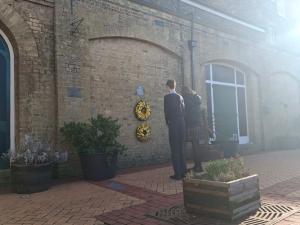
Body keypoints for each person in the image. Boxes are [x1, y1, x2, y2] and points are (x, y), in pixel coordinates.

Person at [164, 80, 187, 180]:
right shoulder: (180, 97)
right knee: (181, 148)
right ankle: (184, 172)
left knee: (174, 149)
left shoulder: (167, 97)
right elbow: (184, 110)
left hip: (173, 124)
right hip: (182, 124)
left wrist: (168, 123)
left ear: (168, 86)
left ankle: (177, 174)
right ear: (175, 86)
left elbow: (167, 112)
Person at [183, 86, 204, 172]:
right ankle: (198, 166)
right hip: (198, 124)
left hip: (190, 125)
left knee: (191, 146)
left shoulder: (185, 99)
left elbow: (184, 112)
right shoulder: (197, 98)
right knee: (196, 146)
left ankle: (197, 167)